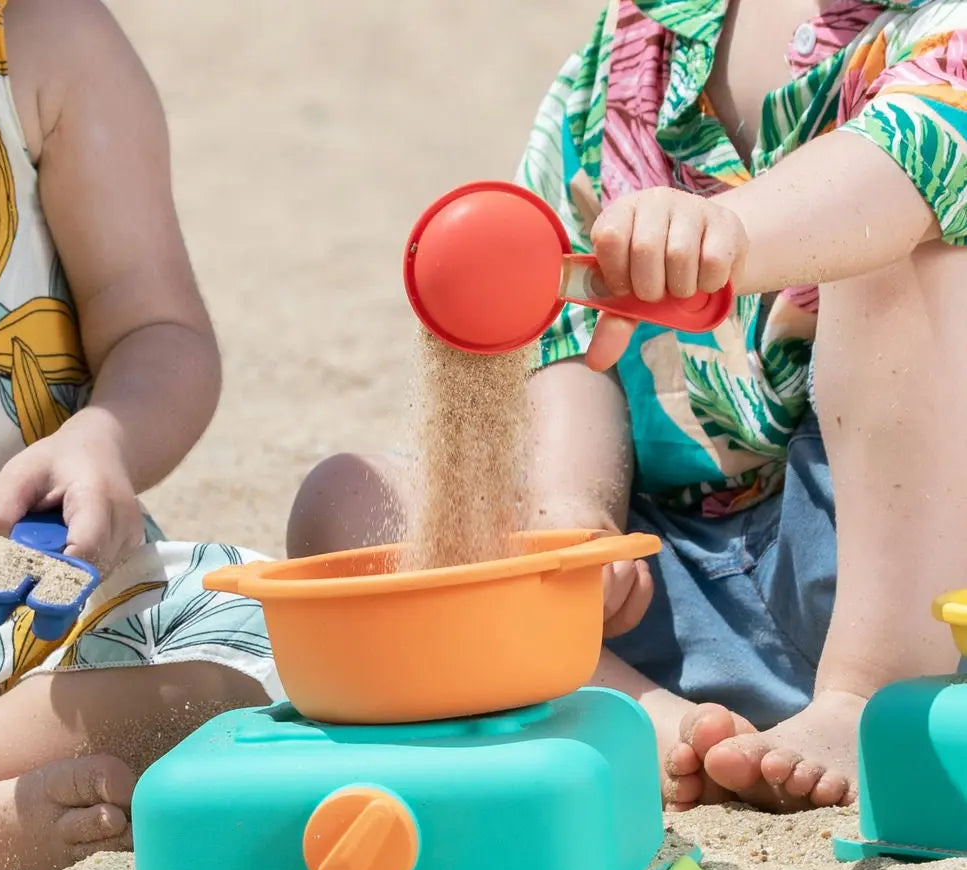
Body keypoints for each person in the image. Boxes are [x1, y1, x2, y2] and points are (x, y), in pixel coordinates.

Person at [289, 0, 967, 813]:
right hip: (672, 584)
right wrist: (572, 518)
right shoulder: (635, 44)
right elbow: (574, 333)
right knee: (347, 501)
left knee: (901, 244)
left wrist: (724, 232)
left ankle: (867, 696)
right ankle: (627, 709)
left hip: (900, 550)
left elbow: (913, 161)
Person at [0, 0, 279, 870]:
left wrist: (101, 441)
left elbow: (155, 325)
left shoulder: (46, 38)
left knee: (263, 661)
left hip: (34, 583)